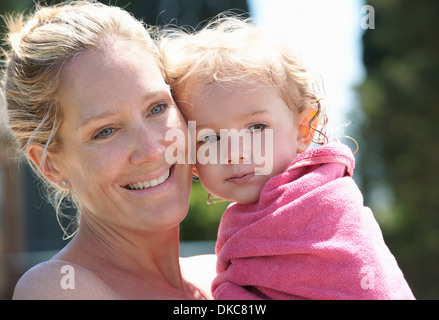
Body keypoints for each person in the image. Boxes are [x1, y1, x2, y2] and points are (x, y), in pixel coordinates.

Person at [160, 16, 415, 299]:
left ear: (302, 130)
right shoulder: (246, 223)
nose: (235, 153)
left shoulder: (327, 202)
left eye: (257, 128)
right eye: (210, 138)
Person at [1, 0, 215, 299]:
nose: (152, 150)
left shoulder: (227, 272)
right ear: (50, 165)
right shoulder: (60, 286)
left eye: (157, 108)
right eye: (105, 131)